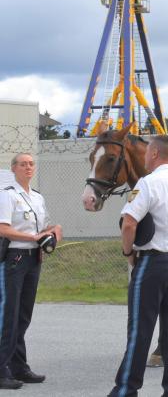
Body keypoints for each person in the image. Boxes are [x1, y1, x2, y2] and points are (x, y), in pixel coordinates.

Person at [109, 135, 168, 397]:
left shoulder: (147, 184)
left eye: (148, 152)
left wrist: (128, 252)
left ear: (155, 154)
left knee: (140, 328)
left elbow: (129, 223)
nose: (146, 156)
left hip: (154, 262)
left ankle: (126, 389)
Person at [0, 153, 61, 390]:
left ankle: (18, 366)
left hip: (33, 258)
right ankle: (1, 368)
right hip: (15, 257)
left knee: (23, 316)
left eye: (31, 164)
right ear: (14, 168)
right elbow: (3, 228)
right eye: (23, 164)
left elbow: (43, 227)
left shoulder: (36, 197)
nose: (28, 167)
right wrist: (31, 237)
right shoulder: (8, 195)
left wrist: (54, 230)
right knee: (9, 315)